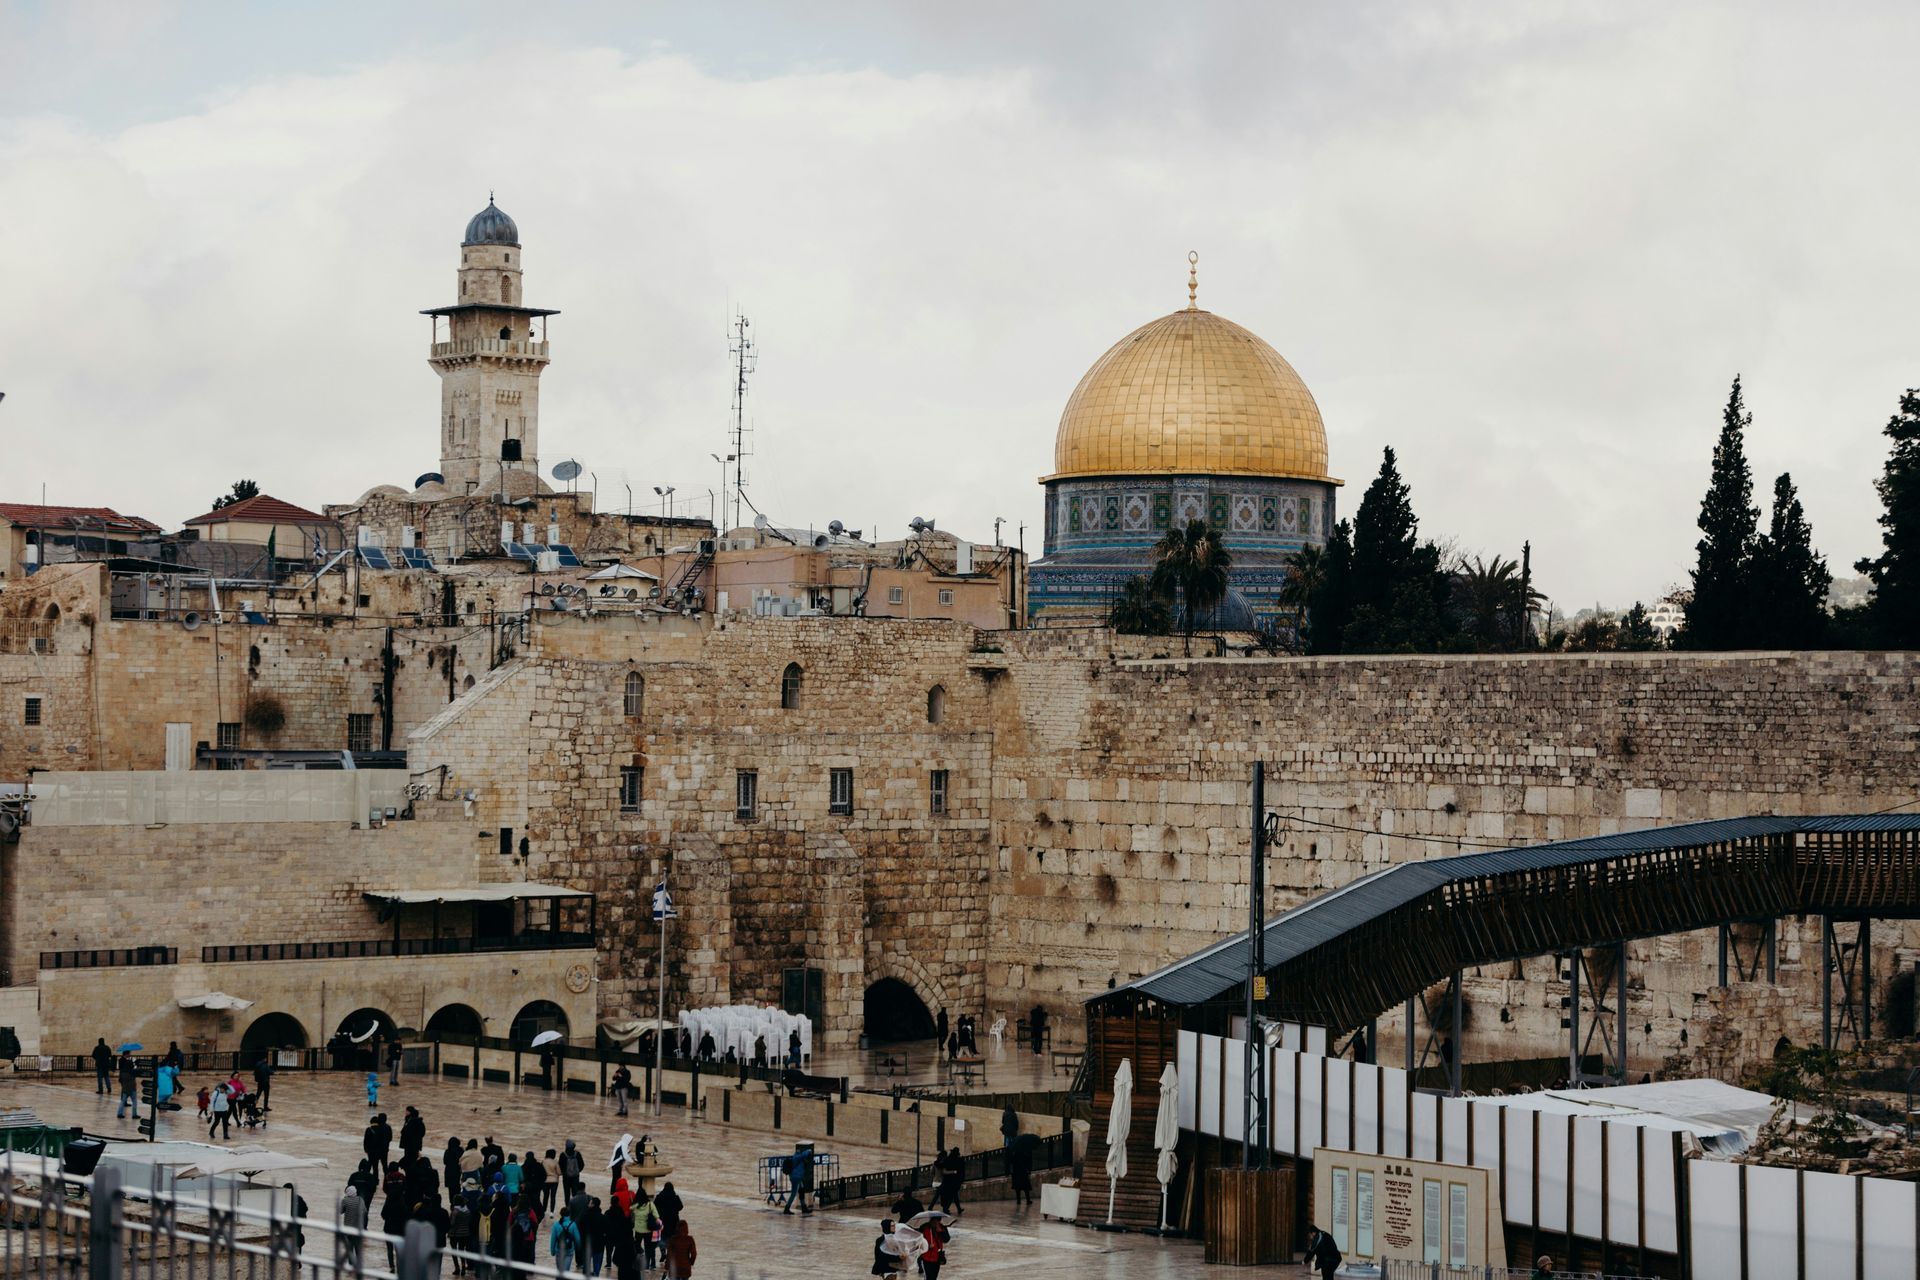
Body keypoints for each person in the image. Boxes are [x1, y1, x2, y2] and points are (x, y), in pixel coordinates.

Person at [338, 1181, 367, 1271]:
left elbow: (340, 1211)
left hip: (348, 1228)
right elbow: (365, 1211)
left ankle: (351, 1265)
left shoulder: (345, 1200)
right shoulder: (360, 1200)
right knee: (358, 1247)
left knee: (350, 1247)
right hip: (359, 1228)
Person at [633, 1191, 663, 1273]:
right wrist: (660, 1225)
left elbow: (630, 1213)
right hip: (648, 1230)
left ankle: (637, 1263)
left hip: (638, 1230)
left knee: (636, 1246)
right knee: (649, 1248)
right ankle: (649, 1265)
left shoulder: (635, 1206)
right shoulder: (650, 1204)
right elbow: (657, 1216)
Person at [780, 1145, 813, 1215]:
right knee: (793, 1193)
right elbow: (803, 1155)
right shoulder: (797, 1156)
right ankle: (787, 1208)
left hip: (798, 1177)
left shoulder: (798, 1156)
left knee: (801, 1190)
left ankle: (804, 1208)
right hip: (795, 1177)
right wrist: (809, 1151)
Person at [549, 1205, 581, 1274]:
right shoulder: (573, 1225)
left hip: (559, 1251)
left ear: (561, 1214)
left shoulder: (556, 1225)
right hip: (569, 1251)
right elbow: (577, 1239)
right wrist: (577, 1248)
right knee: (566, 1271)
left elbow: (553, 1239)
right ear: (569, 1214)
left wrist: (552, 1251)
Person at [934, 1148, 965, 1216]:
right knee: (952, 1196)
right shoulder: (958, 1160)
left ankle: (952, 1208)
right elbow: (961, 1171)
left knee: (951, 1195)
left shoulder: (947, 1160)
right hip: (955, 1182)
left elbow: (941, 1166)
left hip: (947, 1181)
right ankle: (947, 1209)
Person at [921, 1216, 950, 1280]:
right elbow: (919, 1242)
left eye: (938, 1221)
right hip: (926, 1258)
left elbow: (946, 1239)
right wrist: (928, 1246)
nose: (936, 1223)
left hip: (937, 1257)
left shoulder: (942, 1227)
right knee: (928, 1277)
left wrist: (941, 1232)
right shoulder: (925, 1228)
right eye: (934, 1221)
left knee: (934, 1277)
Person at [1009, 1135, 1034, 1208]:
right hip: (1023, 1171)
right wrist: (1029, 1170)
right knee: (1025, 1186)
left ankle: (1018, 1200)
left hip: (1016, 1171)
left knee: (1018, 1187)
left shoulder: (1015, 1152)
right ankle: (1028, 1200)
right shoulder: (1025, 1152)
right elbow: (1027, 1161)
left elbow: (1011, 1161)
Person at [559, 1139, 585, 1204]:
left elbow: (560, 1165)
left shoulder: (563, 1155)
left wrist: (564, 1173)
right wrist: (577, 1171)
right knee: (575, 1193)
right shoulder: (577, 1154)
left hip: (566, 1177)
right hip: (575, 1177)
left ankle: (567, 1207)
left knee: (567, 1193)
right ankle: (575, 1206)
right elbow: (582, 1164)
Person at [114, 1055, 138, 1120]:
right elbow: (137, 1072)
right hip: (132, 1089)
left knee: (122, 1101)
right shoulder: (133, 1072)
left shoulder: (123, 1073)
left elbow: (121, 1080)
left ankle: (119, 1113)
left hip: (125, 1089)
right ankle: (134, 1114)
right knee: (135, 1101)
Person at [444, 1137, 464, 1202]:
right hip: (457, 1172)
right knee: (457, 1188)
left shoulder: (447, 1151)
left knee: (451, 1190)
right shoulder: (460, 1150)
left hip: (448, 1173)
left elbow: (444, 1162)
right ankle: (457, 1202)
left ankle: (452, 1203)